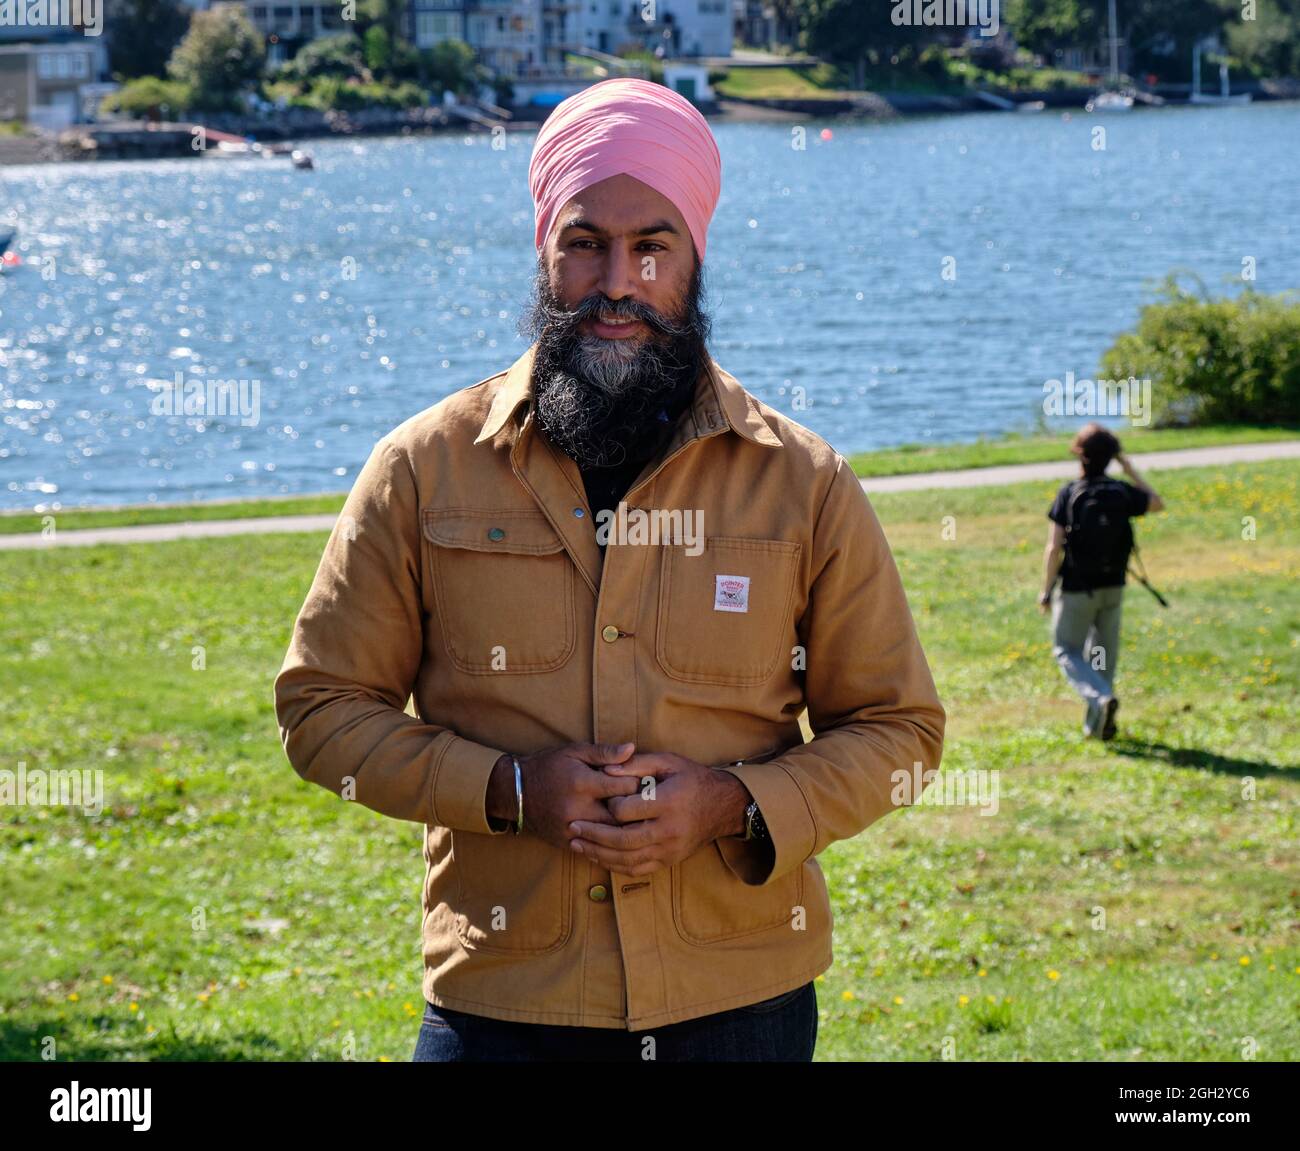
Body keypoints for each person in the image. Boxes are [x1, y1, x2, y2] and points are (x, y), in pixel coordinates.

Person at [274, 77, 945, 1062]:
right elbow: (321, 712)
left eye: (652, 246)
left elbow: (901, 732)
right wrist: (507, 787)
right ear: (546, 250)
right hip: (503, 1005)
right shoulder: (422, 467)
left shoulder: (802, 483)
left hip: (742, 1008)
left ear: (695, 255)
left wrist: (731, 803)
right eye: (585, 242)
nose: (618, 280)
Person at [1038, 423, 1164, 740]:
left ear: (1080, 456)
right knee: (1102, 655)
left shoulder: (1069, 493)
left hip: (1077, 588)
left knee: (1066, 650)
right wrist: (1128, 466)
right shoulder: (1121, 492)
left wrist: (1045, 590)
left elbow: (1054, 548)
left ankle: (1100, 700)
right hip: (1114, 586)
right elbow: (1156, 502)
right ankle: (1096, 727)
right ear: (1111, 457)